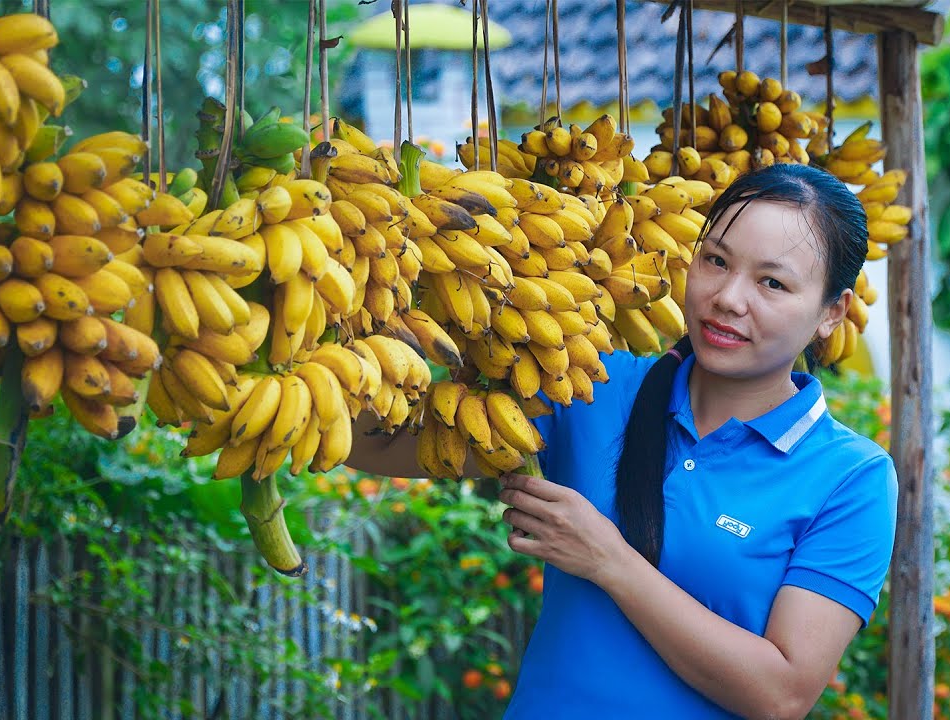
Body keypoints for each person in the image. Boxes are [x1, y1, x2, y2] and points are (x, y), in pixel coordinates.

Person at [348, 163, 898, 719]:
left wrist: (608, 560)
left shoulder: (851, 477)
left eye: (772, 283)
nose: (729, 298)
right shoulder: (587, 383)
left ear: (831, 313)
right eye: (716, 260)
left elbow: (782, 695)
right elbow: (377, 445)